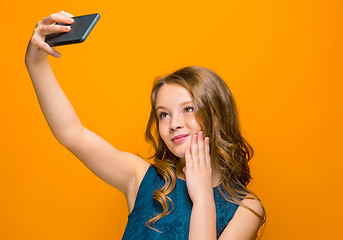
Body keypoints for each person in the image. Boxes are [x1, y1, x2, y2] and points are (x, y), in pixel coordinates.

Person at [25, 11, 266, 240]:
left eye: (188, 109)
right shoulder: (141, 178)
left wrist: (203, 197)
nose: (174, 124)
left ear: (217, 113)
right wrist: (35, 62)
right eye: (164, 115)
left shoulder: (247, 208)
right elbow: (72, 134)